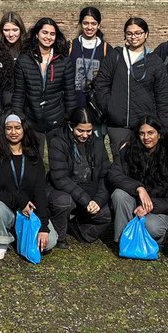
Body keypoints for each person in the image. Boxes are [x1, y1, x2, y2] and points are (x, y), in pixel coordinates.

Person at [93, 17, 168, 159]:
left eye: (138, 33)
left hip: (144, 126)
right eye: (129, 33)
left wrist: (164, 128)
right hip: (118, 126)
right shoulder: (115, 56)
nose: (133, 37)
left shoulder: (155, 61)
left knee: (144, 164)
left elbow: (162, 96)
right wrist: (110, 108)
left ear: (146, 34)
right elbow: (101, 84)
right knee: (121, 164)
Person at [0, 113, 57, 259]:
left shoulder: (33, 158)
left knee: (50, 242)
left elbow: (40, 192)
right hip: (6, 211)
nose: (13, 132)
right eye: (8, 128)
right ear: (3, 131)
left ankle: (18, 236)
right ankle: (2, 240)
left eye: (17, 128)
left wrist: (42, 226)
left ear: (24, 129)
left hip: (28, 213)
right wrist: (18, 200)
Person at [108, 116, 168, 243]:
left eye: (150, 133)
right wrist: (139, 188)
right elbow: (114, 174)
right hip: (135, 202)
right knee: (119, 195)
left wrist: (149, 206)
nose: (146, 137)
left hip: (159, 210)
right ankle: (123, 240)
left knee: (151, 226)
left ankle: (149, 241)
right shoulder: (128, 151)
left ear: (159, 134)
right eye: (142, 133)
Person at [47, 104, 113, 246]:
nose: (85, 135)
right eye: (80, 130)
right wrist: (85, 200)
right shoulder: (58, 142)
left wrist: (98, 200)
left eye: (89, 131)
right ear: (71, 126)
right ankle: (59, 236)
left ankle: (77, 229)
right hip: (63, 190)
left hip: (90, 189)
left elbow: (105, 174)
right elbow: (60, 179)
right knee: (63, 202)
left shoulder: (98, 143)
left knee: (106, 215)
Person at [10, 17, 74, 143]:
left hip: (57, 120)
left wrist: (69, 118)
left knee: (58, 160)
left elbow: (70, 93)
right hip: (31, 120)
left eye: (52, 34)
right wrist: (19, 119)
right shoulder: (24, 60)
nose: (48, 37)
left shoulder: (64, 60)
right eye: (45, 32)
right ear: (37, 34)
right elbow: (19, 94)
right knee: (34, 159)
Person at [69, 6, 109, 116]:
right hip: (74, 105)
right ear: (80, 24)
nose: (89, 27)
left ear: (99, 25)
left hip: (96, 107)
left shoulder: (106, 49)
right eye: (86, 23)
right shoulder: (71, 46)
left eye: (93, 23)